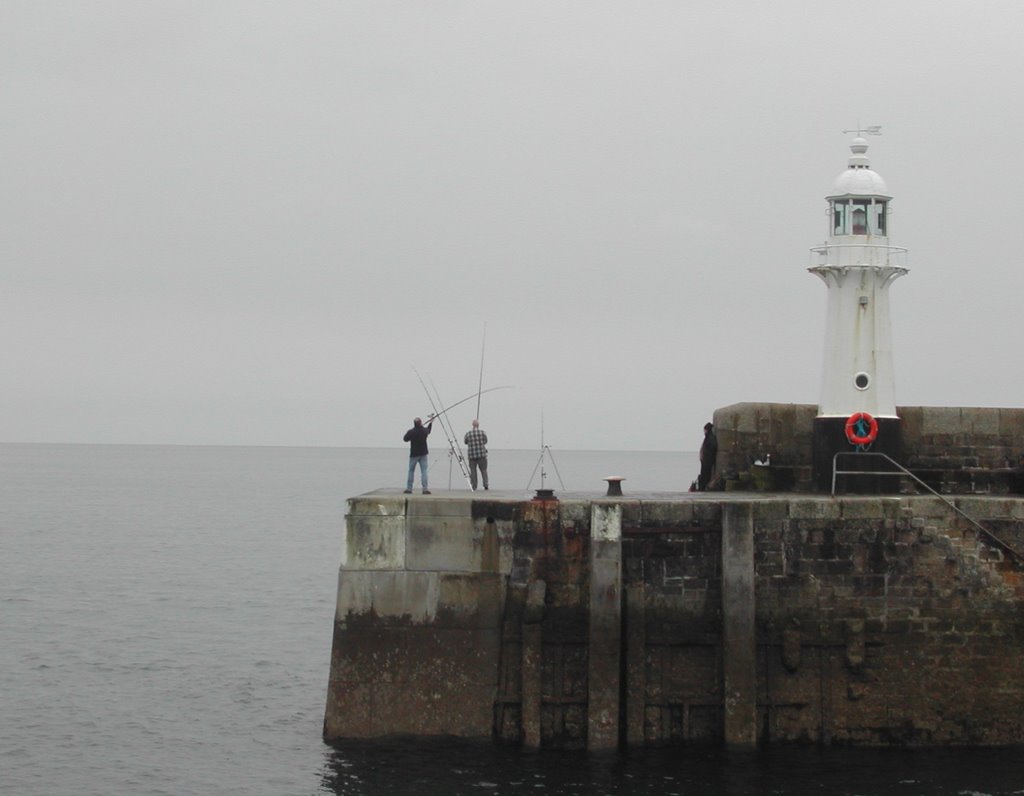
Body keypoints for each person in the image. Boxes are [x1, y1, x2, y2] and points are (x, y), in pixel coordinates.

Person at [403, 417, 433, 494]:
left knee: (411, 471)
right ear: (420, 423)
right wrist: (430, 423)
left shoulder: (411, 432)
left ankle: (409, 489)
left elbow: (405, 439)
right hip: (423, 453)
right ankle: (425, 489)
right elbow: (428, 431)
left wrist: (408, 433)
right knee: (424, 471)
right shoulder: (424, 431)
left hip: (414, 454)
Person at [463, 419, 489, 491]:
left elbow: (465, 442)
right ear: (478, 425)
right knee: (484, 470)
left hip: (472, 456)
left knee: (473, 471)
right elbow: (485, 441)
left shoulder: (468, 434)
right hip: (482, 455)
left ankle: (474, 486)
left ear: (472, 425)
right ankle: (485, 485)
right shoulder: (482, 433)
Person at [698, 422, 718, 491]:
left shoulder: (710, 438)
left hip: (708, 461)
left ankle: (703, 488)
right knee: (703, 475)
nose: (704, 431)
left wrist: (706, 454)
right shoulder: (708, 437)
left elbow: (713, 447)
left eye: (705, 429)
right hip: (705, 460)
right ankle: (702, 488)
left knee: (705, 475)